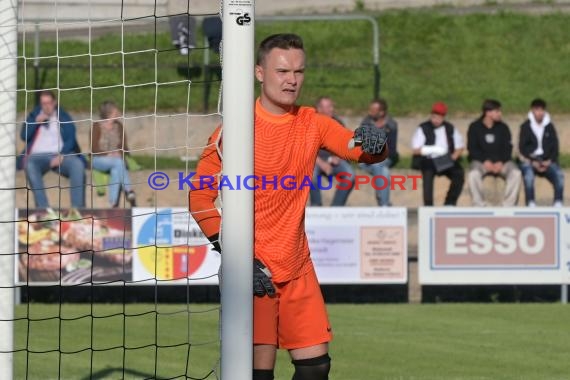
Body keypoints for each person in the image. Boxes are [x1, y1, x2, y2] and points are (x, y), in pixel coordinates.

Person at [189, 33, 388, 380]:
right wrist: (236, 257)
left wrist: (376, 143)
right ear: (259, 73)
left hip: (298, 266)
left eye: (299, 71)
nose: (292, 80)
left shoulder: (312, 121)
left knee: (316, 368)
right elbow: (199, 197)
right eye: (282, 71)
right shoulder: (234, 130)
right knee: (256, 375)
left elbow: (357, 148)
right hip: (253, 271)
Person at [17, 90, 86, 208]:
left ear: (54, 103)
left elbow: (71, 137)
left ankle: (77, 209)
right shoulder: (34, 115)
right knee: (30, 164)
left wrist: (62, 154)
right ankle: (44, 209)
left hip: (60, 154)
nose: (46, 106)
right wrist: (35, 123)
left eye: (49, 103)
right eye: (43, 103)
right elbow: (24, 136)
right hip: (37, 156)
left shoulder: (62, 116)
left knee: (78, 165)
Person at [467, 99, 521, 206]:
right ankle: (479, 205)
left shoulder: (503, 128)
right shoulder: (474, 127)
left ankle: (508, 205)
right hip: (481, 162)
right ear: (488, 112)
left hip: (501, 163)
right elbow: (472, 149)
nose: (500, 114)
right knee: (473, 175)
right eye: (497, 111)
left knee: (516, 173)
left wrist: (501, 161)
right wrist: (485, 161)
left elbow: (508, 148)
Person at [411, 102, 465, 206]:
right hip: (428, 159)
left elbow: (460, 147)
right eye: (434, 117)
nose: (436, 120)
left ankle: (450, 203)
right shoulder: (423, 128)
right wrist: (434, 149)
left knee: (458, 174)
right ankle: (428, 206)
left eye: (439, 118)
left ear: (443, 117)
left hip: (445, 159)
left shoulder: (450, 128)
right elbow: (416, 149)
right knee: (427, 173)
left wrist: (453, 157)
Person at [309, 96, 356, 206]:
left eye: (331, 106)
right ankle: (316, 206)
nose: (331, 109)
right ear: (319, 109)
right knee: (311, 176)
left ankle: (336, 208)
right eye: (328, 107)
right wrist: (323, 164)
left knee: (350, 175)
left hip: (335, 159)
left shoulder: (338, 122)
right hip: (316, 160)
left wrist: (339, 156)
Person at [518, 98, 564, 207]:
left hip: (547, 160)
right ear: (532, 111)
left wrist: (549, 161)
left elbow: (555, 146)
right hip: (531, 160)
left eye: (542, 110)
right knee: (528, 176)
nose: (540, 113)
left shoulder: (549, 126)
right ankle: (530, 203)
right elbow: (522, 148)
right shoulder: (525, 127)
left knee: (559, 175)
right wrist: (533, 161)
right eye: (537, 110)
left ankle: (558, 203)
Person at [91, 100, 137, 208]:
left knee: (116, 170)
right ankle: (129, 190)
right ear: (110, 112)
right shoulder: (96, 126)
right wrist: (108, 154)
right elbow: (94, 148)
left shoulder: (119, 126)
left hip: (116, 160)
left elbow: (124, 146)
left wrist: (118, 152)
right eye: (116, 110)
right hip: (99, 159)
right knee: (118, 162)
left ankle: (113, 203)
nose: (119, 112)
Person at [358, 98, 399, 206]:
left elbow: (392, 149)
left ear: (381, 112)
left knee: (378, 164)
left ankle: (381, 199)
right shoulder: (366, 123)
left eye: (373, 110)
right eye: (370, 109)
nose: (369, 112)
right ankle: (384, 204)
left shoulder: (391, 125)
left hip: (386, 158)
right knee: (384, 172)